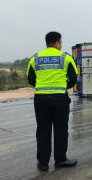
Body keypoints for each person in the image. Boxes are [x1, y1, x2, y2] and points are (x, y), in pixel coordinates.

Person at [27, 31, 78, 171]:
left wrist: (43, 86)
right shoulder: (66, 58)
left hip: (41, 99)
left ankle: (43, 164)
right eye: (61, 42)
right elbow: (74, 79)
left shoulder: (35, 58)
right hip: (59, 98)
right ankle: (60, 160)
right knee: (61, 129)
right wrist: (62, 86)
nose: (61, 45)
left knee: (43, 130)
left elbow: (31, 79)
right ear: (56, 42)